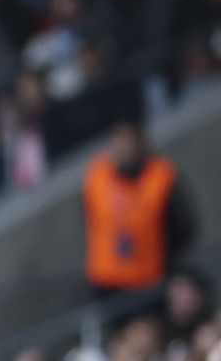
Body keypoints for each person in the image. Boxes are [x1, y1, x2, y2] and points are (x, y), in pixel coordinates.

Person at [81, 113, 194, 296]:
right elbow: (87, 218)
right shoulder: (96, 175)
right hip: (107, 283)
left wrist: (164, 257)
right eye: (116, 139)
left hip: (152, 279)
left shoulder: (161, 174)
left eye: (126, 139)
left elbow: (184, 225)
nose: (121, 147)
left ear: (141, 142)